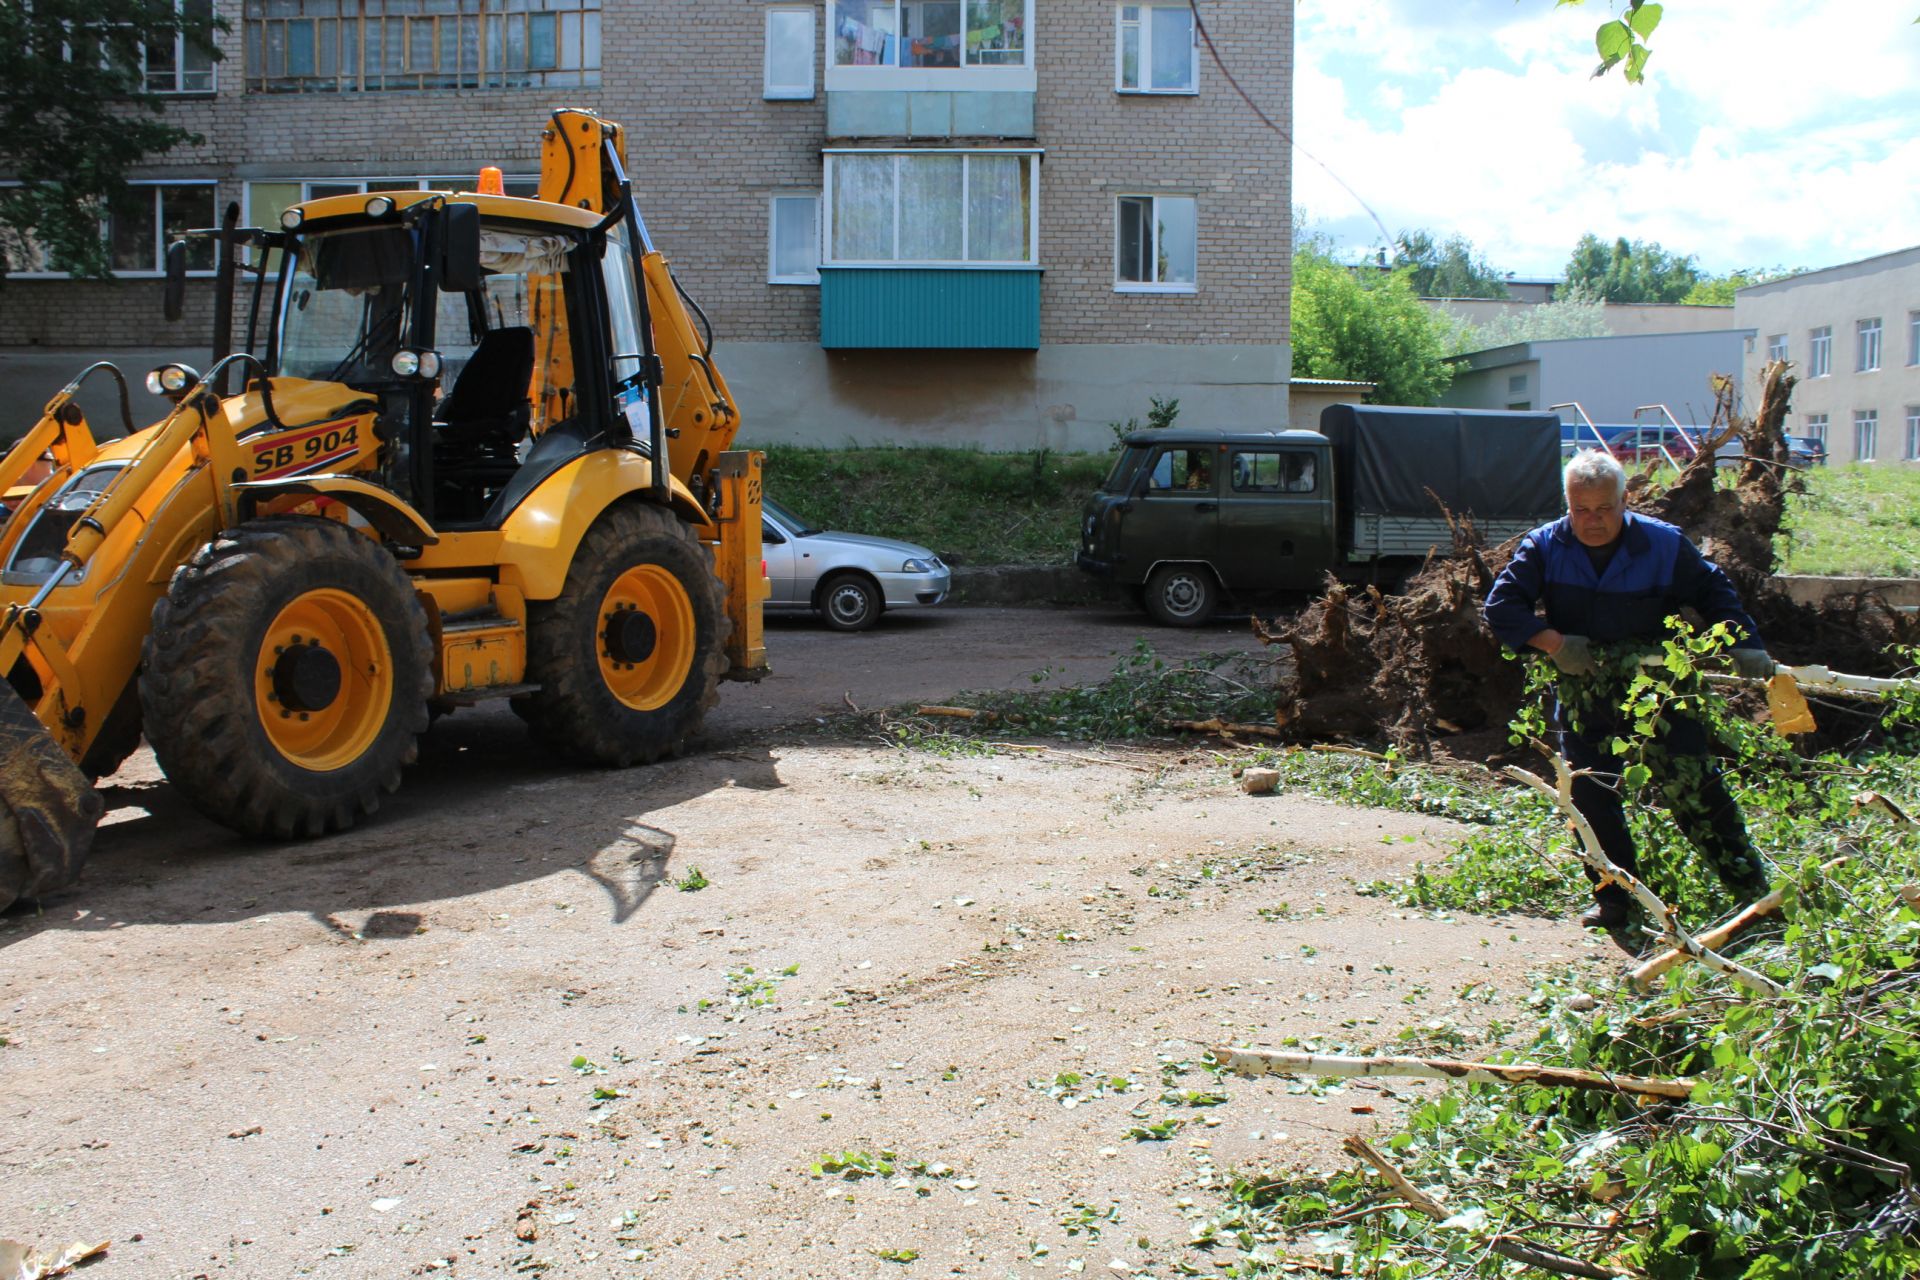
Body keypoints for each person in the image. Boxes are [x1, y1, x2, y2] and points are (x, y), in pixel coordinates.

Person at [1483, 449, 1776, 931]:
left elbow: (1714, 593)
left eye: (1604, 509)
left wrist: (1744, 644)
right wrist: (1553, 642)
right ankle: (1615, 901)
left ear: (1625, 500)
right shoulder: (1545, 546)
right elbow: (1502, 607)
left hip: (1657, 690)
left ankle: (1751, 895)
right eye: (1581, 510)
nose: (1592, 522)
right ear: (1568, 504)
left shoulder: (1663, 545)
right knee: (1591, 795)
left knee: (1695, 786)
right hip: (1585, 692)